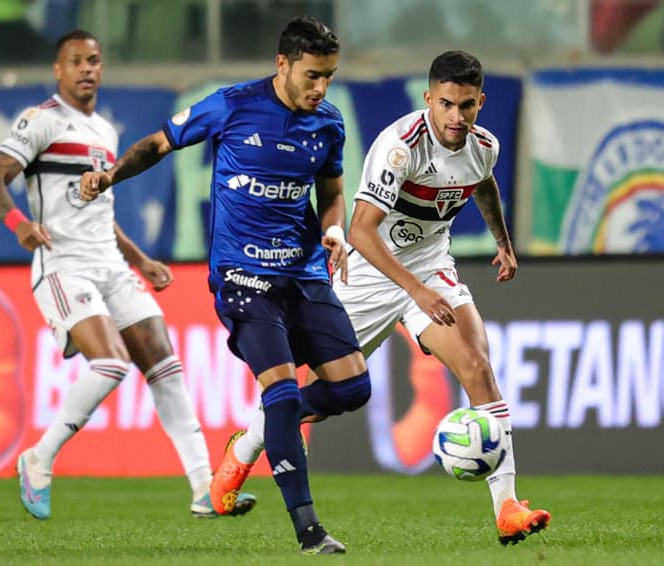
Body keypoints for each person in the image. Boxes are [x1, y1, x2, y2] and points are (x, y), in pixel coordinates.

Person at [216, 50, 552, 546]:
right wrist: (413, 290)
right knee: (324, 395)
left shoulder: (484, 145)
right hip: (369, 274)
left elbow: (482, 184)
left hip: (431, 268)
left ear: (480, 103)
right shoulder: (399, 146)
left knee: (479, 368)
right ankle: (245, 449)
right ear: (428, 100)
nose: (456, 117)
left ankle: (507, 508)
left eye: (466, 106)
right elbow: (362, 231)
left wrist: (501, 240)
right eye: (446, 105)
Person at [79, 17, 371, 555]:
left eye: (328, 76)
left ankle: (261, 431)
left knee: (354, 389)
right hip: (243, 278)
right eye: (312, 75)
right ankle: (309, 531)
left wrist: (333, 229)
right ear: (282, 64)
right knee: (280, 392)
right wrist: (109, 177)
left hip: (304, 274)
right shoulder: (232, 105)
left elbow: (332, 189)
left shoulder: (329, 124)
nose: (320, 88)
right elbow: (158, 144)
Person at [0, 29, 256, 521]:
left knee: (165, 366)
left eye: (95, 60)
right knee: (111, 363)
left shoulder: (105, 131)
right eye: (77, 61)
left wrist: (140, 258)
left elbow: (101, 211)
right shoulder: (39, 122)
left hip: (109, 262)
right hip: (63, 265)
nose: (88, 69)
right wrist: (18, 225)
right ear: (58, 70)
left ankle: (203, 488)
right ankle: (38, 459)